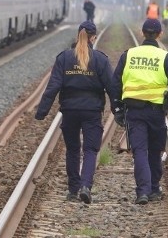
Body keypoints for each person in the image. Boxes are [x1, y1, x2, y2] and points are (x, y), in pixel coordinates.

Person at [34, 21, 116, 204]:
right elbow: (112, 87)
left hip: (70, 110)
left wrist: (42, 111)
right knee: (90, 150)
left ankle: (73, 189)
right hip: (92, 111)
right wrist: (118, 109)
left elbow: (53, 86)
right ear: (93, 38)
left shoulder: (64, 58)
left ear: (78, 35)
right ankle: (85, 186)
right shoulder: (101, 59)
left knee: (72, 149)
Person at [111, 18, 168, 205]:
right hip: (156, 113)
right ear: (160, 34)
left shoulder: (128, 55)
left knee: (139, 151)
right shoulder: (165, 58)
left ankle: (143, 192)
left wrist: (117, 108)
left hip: (134, 112)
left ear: (142, 33)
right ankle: (153, 188)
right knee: (155, 151)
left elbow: (115, 83)